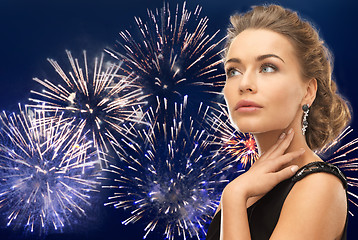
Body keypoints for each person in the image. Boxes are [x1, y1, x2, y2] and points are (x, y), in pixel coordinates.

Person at [206, 4, 351, 240]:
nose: (244, 83)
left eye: (268, 67)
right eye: (233, 71)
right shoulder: (246, 189)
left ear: (308, 91)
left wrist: (233, 195)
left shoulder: (319, 186)